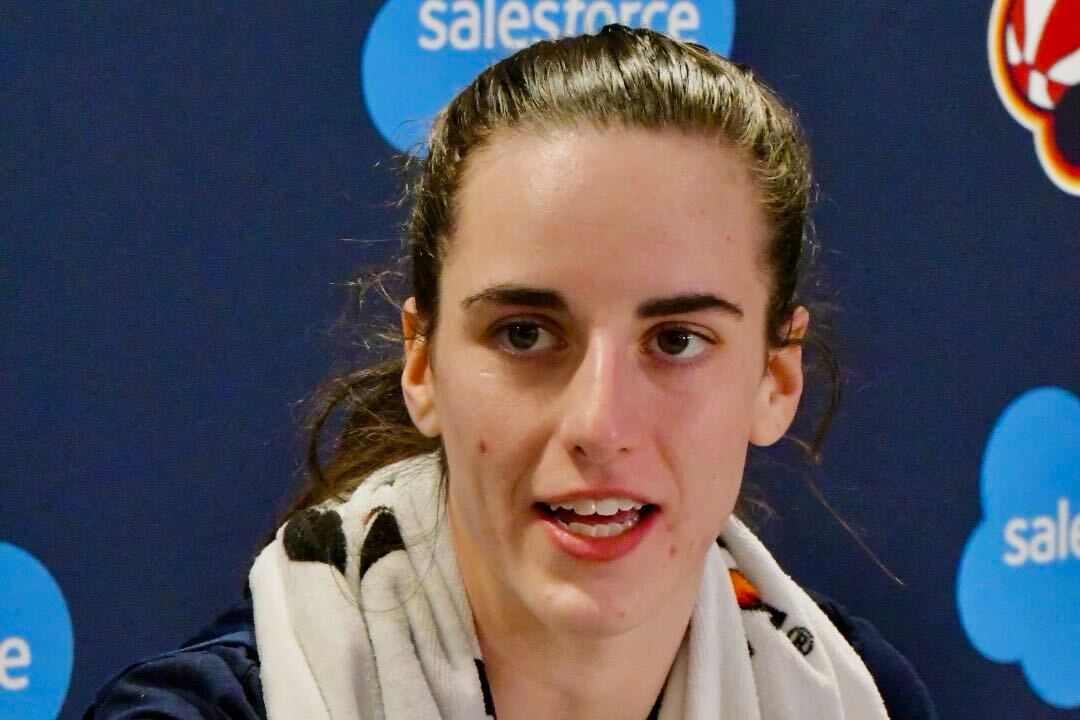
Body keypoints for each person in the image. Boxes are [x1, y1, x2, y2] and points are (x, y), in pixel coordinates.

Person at [87, 24, 938, 720]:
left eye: (676, 341)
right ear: (422, 361)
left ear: (775, 379)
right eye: (526, 334)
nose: (600, 426)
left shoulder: (860, 695)